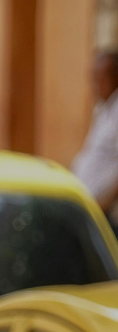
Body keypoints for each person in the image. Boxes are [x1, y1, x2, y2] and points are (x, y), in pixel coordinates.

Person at [72, 50, 118, 235]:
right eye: (93, 77)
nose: (95, 84)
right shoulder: (104, 108)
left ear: (115, 77)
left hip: (100, 211)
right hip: (86, 204)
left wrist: (101, 206)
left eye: (100, 77)